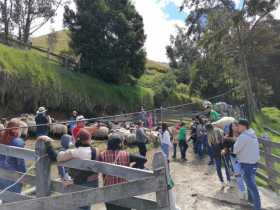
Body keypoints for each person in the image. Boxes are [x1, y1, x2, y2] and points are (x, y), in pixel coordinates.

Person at [45, 129, 99, 210]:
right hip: (93, 183)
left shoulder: (75, 152)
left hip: (81, 183)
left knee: (79, 206)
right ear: (89, 139)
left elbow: (55, 157)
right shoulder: (96, 150)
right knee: (86, 206)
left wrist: (47, 143)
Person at [100, 134, 146, 210]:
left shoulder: (102, 155)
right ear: (120, 144)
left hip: (109, 191)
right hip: (124, 190)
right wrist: (134, 167)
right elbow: (143, 159)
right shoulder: (126, 155)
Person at [234, 119, 261, 210]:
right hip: (253, 164)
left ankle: (257, 207)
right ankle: (251, 201)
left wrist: (237, 138)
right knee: (251, 184)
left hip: (247, 164)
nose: (237, 127)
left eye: (238, 125)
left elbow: (235, 150)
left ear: (243, 126)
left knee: (252, 187)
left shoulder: (243, 137)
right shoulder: (252, 133)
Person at [0, 120, 26, 193]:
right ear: (14, 129)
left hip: (1, 173)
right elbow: (20, 162)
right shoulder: (18, 142)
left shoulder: (1, 139)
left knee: (3, 196)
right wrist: (24, 176)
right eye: (19, 128)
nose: (20, 130)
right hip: (13, 175)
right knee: (14, 199)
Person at [223, 122, 246, 199]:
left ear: (238, 126)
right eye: (232, 126)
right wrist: (224, 150)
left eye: (235, 126)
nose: (233, 127)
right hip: (233, 157)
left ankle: (244, 188)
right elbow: (226, 146)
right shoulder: (228, 135)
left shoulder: (242, 135)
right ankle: (242, 190)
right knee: (237, 174)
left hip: (242, 157)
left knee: (243, 173)